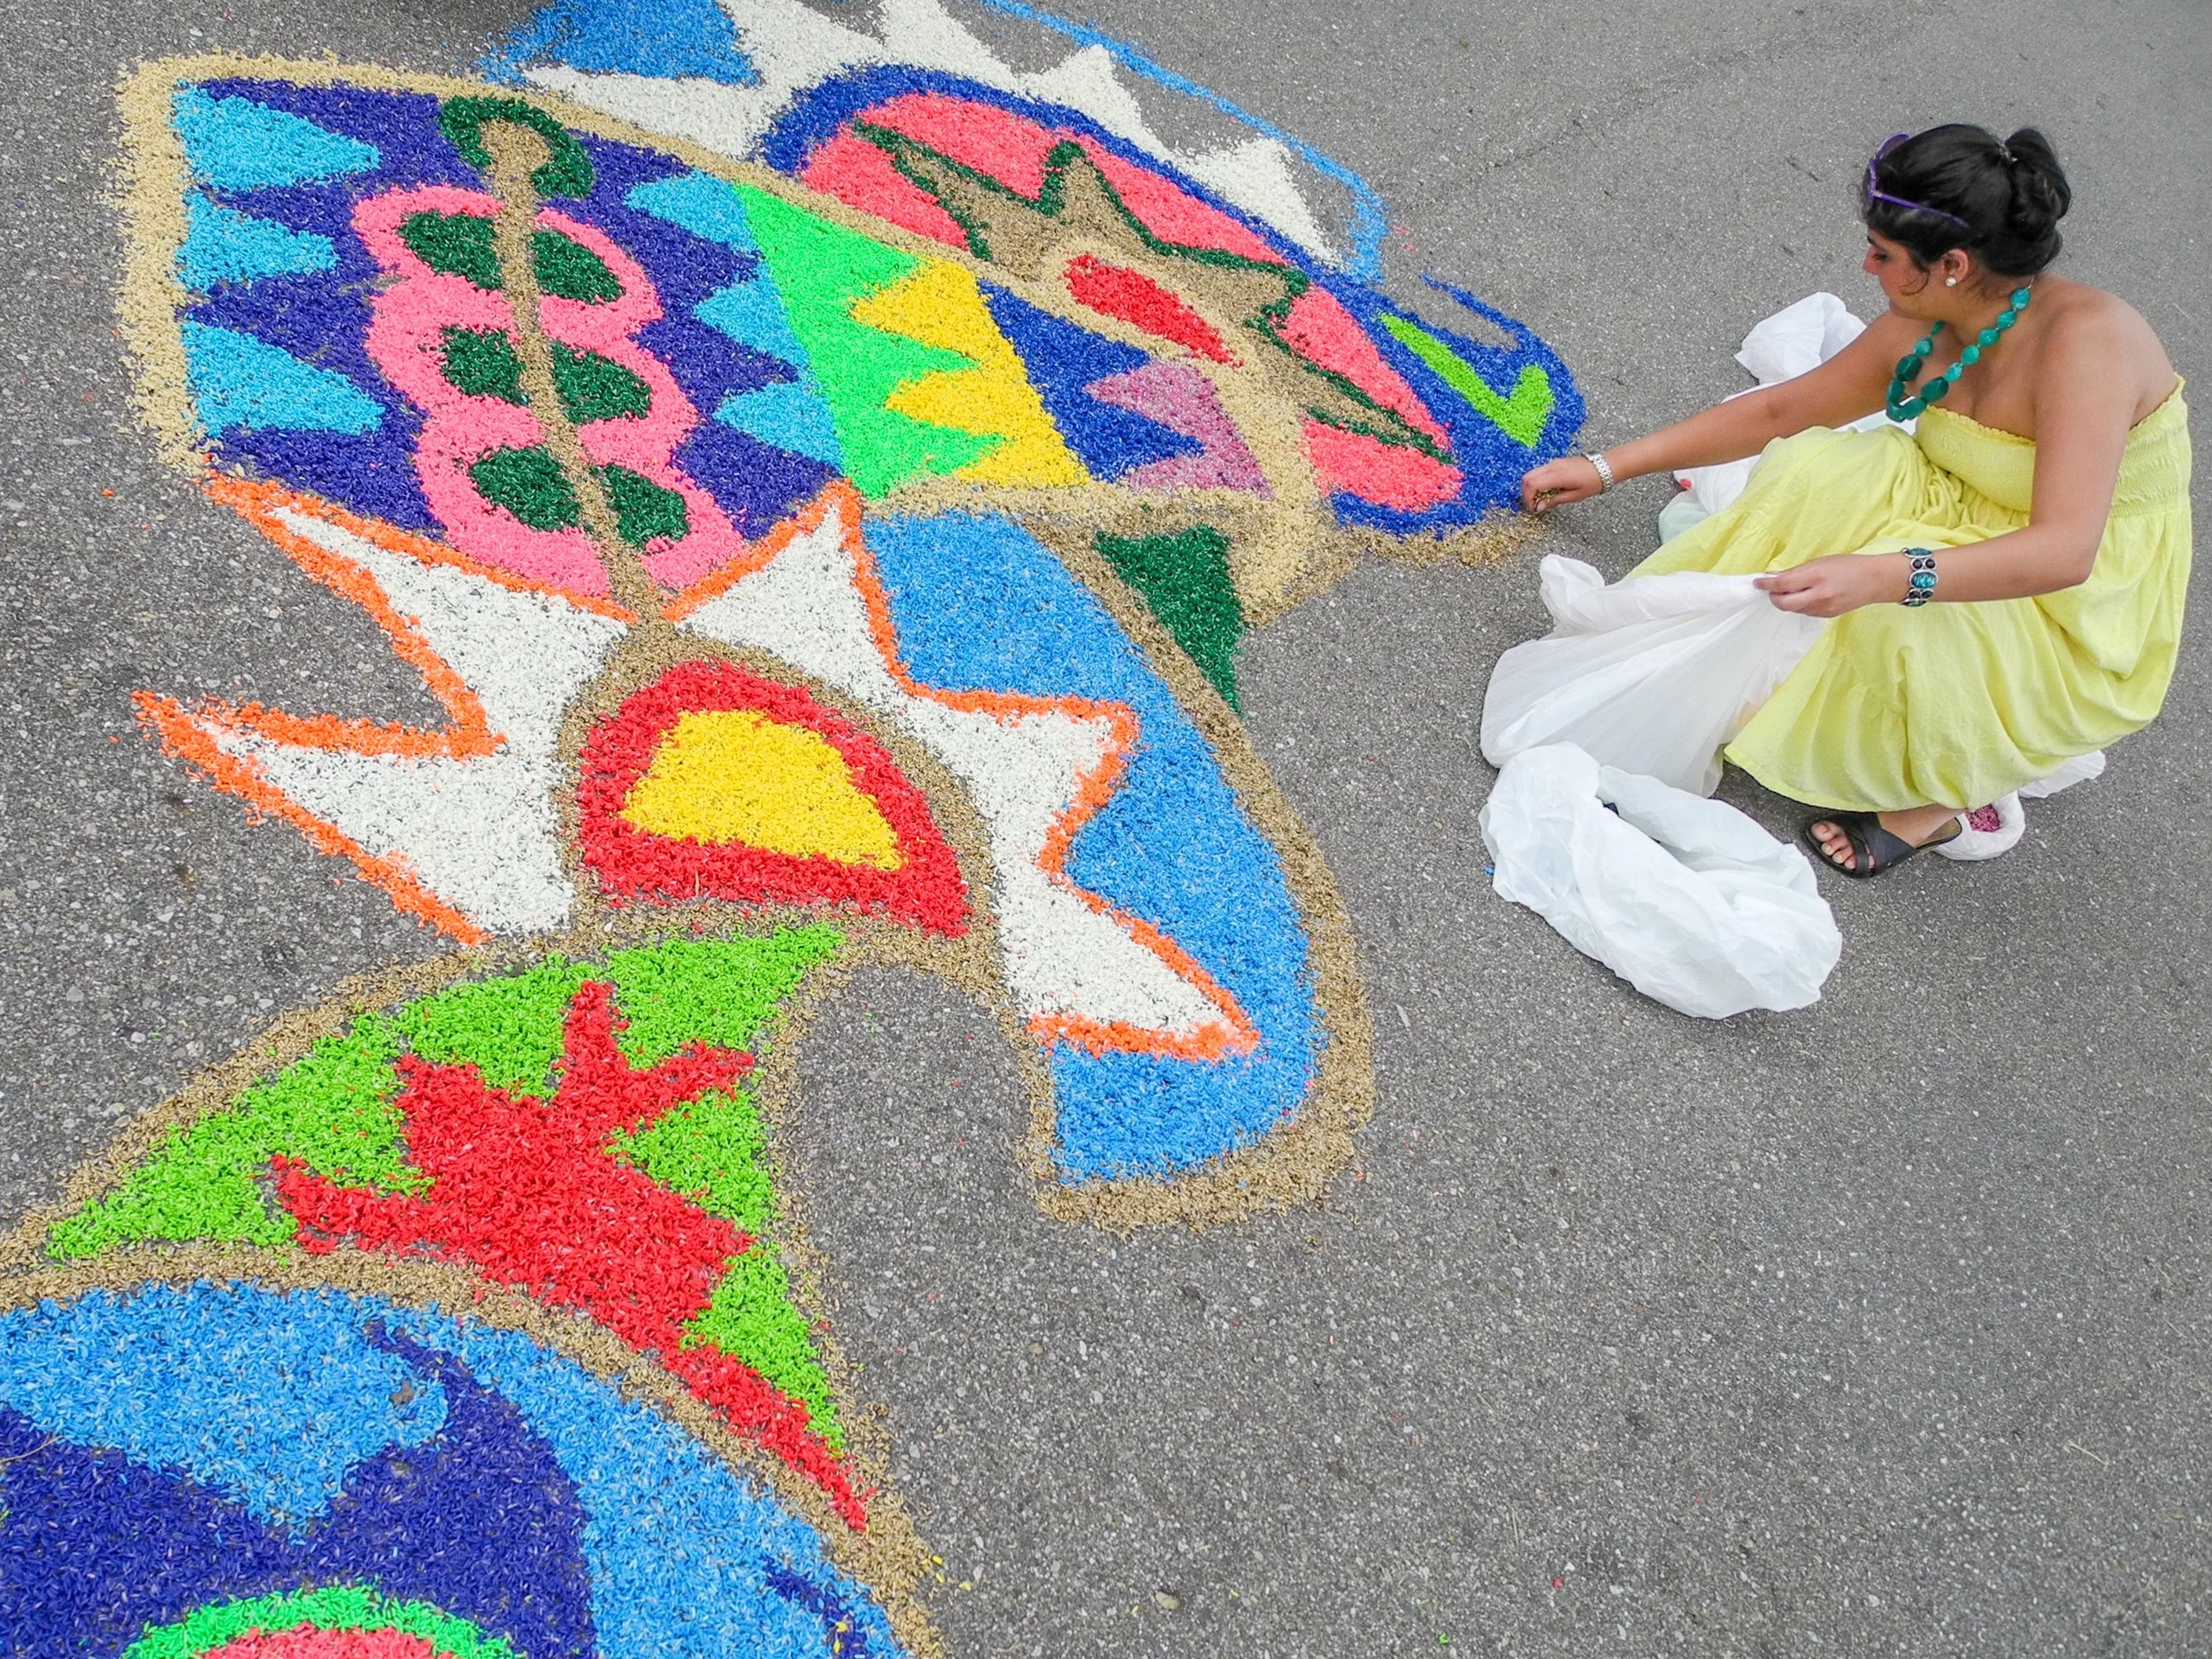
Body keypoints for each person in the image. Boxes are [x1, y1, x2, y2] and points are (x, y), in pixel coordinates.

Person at [1517, 124, 2191, 877]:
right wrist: (1609, 466)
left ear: (1954, 265)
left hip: (2079, 583)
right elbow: (1785, 410)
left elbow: (2065, 550)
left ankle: (1937, 804)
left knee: (1898, 613)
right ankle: (1831, 677)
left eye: (1883, 254)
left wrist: (1883, 575)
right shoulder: (1936, 317)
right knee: (1811, 472)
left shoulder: (2087, 347)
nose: (1866, 266)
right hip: (1958, 495)